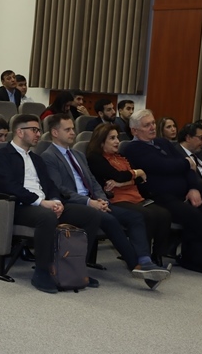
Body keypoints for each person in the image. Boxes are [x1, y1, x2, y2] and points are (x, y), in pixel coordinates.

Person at [41, 114, 170, 284]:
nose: (73, 132)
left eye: (73, 128)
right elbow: (59, 188)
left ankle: (145, 261)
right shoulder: (48, 156)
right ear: (55, 132)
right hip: (73, 204)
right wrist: (90, 202)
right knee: (110, 220)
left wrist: (102, 200)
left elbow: (93, 182)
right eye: (68, 129)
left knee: (135, 217)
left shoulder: (78, 155)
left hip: (95, 202)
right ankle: (138, 267)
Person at [123, 109, 202, 277]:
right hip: (160, 197)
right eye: (147, 125)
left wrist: (193, 188)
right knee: (195, 216)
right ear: (134, 130)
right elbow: (164, 166)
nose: (152, 127)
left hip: (186, 194)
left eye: (152, 123)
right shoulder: (133, 148)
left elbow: (188, 169)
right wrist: (186, 163)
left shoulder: (163, 142)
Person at [0, 114, 102, 293]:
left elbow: (50, 185)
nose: (38, 134)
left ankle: (76, 268)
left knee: (91, 215)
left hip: (45, 205)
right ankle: (42, 272)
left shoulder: (36, 159)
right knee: (47, 217)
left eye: (39, 130)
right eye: (34, 130)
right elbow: (10, 186)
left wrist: (56, 201)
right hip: (18, 207)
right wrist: (41, 203)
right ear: (20, 132)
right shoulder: (2, 156)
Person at [86, 123, 172, 267]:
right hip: (116, 198)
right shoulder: (95, 158)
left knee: (164, 214)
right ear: (101, 142)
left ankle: (157, 255)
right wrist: (137, 173)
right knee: (147, 215)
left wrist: (123, 182)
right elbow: (118, 176)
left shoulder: (120, 157)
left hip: (135, 196)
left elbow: (140, 179)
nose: (117, 141)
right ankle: (141, 256)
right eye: (112, 138)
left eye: (117, 137)